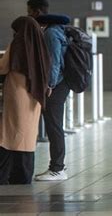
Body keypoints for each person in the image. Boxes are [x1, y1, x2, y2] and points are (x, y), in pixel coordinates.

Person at [0, 16, 51, 184]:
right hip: (34, 95)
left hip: (17, 94)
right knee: (28, 135)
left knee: (9, 133)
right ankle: (24, 175)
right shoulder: (40, 45)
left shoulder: (17, 44)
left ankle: (7, 174)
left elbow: (3, 67)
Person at [34, 14, 71, 181]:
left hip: (57, 85)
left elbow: (54, 61)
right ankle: (56, 166)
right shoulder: (59, 31)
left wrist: (50, 84)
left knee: (54, 125)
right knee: (54, 125)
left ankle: (57, 168)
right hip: (62, 84)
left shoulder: (51, 34)